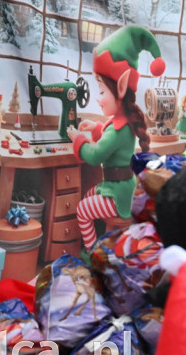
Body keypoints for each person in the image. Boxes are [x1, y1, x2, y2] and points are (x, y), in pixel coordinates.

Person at [68, 25, 164, 251]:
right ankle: (103, 246)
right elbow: (115, 146)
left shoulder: (119, 127)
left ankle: (93, 254)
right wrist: (97, 129)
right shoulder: (122, 122)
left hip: (119, 195)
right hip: (117, 186)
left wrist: (77, 139)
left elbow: (95, 155)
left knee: (82, 210)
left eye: (102, 92)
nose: (99, 99)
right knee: (90, 193)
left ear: (120, 88)